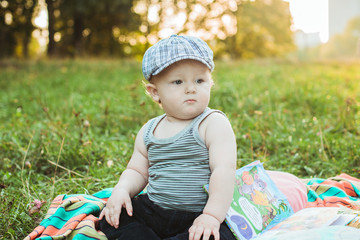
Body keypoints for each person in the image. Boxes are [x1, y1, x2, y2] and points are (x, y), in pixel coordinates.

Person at [99, 34, 237, 240]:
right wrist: (122, 190)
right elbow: (137, 170)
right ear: (155, 93)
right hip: (155, 210)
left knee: (220, 234)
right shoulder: (149, 130)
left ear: (210, 83)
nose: (191, 88)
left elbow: (223, 170)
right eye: (178, 81)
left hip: (199, 215)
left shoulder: (213, 123)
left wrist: (211, 216)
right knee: (112, 216)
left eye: (200, 80)